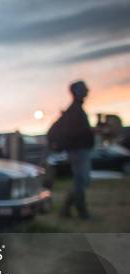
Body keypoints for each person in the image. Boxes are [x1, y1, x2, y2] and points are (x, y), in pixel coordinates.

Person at [48, 80, 94, 219]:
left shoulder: (76, 110)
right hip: (78, 151)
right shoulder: (75, 110)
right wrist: (91, 131)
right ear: (78, 91)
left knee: (81, 181)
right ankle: (80, 211)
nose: (87, 91)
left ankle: (66, 210)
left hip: (79, 150)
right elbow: (74, 133)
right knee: (82, 180)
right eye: (84, 89)